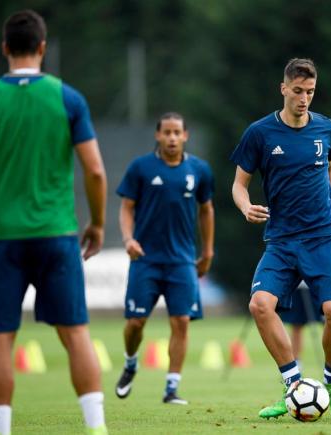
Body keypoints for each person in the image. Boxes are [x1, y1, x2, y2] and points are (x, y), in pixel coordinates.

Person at [0, 10, 108, 435]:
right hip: (56, 235)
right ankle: (97, 428)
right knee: (76, 333)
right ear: (43, 48)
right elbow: (95, 172)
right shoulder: (68, 98)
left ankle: (2, 429)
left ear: (4, 49)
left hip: (2, 239)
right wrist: (98, 223)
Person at [230, 58, 331, 421]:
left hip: (322, 238)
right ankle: (293, 386)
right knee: (259, 305)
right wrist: (245, 206)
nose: (304, 99)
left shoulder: (328, 129)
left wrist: (328, 206)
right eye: (297, 91)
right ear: (283, 88)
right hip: (282, 241)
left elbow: (329, 168)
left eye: (310, 92)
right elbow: (239, 183)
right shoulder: (260, 133)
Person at [114, 112, 215, 405]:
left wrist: (207, 251)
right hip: (145, 260)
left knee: (181, 321)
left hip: (182, 261)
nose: (172, 137)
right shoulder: (141, 168)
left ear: (186, 136)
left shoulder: (200, 170)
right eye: (166, 132)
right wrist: (128, 239)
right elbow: (126, 208)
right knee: (135, 323)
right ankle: (131, 363)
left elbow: (207, 210)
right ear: (157, 136)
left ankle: (171, 388)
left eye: (177, 133)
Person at [281, 217, 331, 364]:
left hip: (320, 275)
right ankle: (299, 365)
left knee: (330, 318)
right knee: (298, 323)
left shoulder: (327, 204)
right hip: (301, 276)